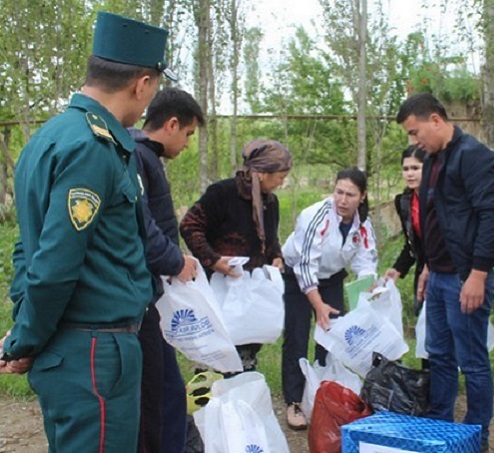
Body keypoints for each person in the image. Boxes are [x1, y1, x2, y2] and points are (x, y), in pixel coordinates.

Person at [0, 11, 175, 451]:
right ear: (143, 84)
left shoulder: (47, 137)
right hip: (95, 355)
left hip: (74, 350)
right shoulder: (93, 147)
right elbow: (55, 262)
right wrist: (26, 338)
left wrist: (26, 330)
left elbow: (28, 248)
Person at [396, 92, 494, 452]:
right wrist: (427, 264)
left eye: (415, 133)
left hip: (466, 277)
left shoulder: (476, 158)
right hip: (440, 275)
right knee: (439, 354)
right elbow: (436, 218)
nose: (414, 142)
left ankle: (477, 434)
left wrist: (477, 273)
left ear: (436, 120)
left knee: (472, 361)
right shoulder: (432, 160)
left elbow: (492, 218)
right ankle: (440, 423)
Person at [128, 87, 203, 453]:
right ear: (172, 124)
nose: (188, 143)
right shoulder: (138, 157)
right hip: (140, 300)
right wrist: (176, 261)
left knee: (169, 391)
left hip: (152, 295)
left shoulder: (146, 157)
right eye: (188, 133)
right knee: (159, 397)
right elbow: (142, 229)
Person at [180, 139, 292, 372]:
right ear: (262, 172)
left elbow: (269, 239)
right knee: (218, 352)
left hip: (252, 291)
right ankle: (210, 402)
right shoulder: (223, 194)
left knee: (246, 352)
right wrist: (213, 260)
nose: (282, 182)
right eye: (280, 176)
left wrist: (276, 256)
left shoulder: (270, 202)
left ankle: (241, 400)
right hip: (220, 287)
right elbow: (190, 226)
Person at [281, 167, 378, 430]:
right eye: (339, 192)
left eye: (350, 194)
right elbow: (304, 265)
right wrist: (317, 304)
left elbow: (365, 260)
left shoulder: (363, 222)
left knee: (332, 335)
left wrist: (368, 292)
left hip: (332, 277)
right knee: (298, 335)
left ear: (362, 196)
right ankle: (294, 401)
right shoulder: (315, 216)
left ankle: (325, 393)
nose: (343, 200)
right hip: (297, 275)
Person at [384, 145, 426, 315]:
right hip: (423, 267)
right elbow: (413, 243)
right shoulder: (404, 201)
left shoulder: (441, 197)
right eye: (406, 169)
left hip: (448, 268)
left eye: (416, 168)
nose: (410, 174)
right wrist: (398, 269)